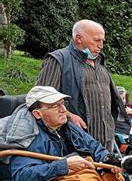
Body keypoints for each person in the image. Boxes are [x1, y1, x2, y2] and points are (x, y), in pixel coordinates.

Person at [36, 19, 125, 152]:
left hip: (106, 137)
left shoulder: (100, 63)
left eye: (102, 41)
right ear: (79, 38)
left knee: (106, 172)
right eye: (96, 40)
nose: (101, 45)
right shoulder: (58, 59)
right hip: (76, 139)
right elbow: (41, 97)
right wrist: (69, 115)